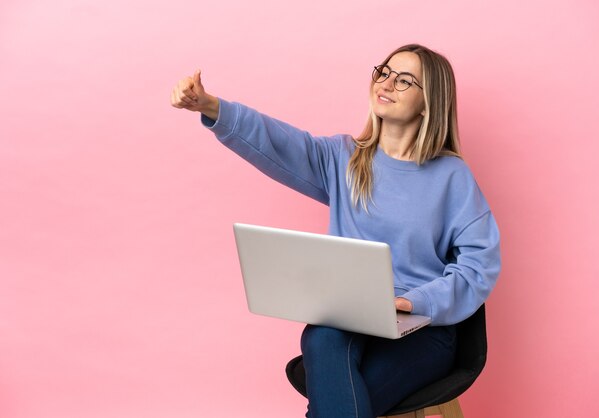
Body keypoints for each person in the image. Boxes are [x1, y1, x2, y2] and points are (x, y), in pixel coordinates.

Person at [170, 43, 501, 418]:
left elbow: (479, 266)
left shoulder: (452, 178)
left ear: (429, 103)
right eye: (385, 72)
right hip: (350, 319)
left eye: (405, 80)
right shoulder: (344, 158)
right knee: (323, 337)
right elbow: (278, 143)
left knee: (337, 403)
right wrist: (212, 107)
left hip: (422, 330)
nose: (388, 83)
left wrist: (413, 302)